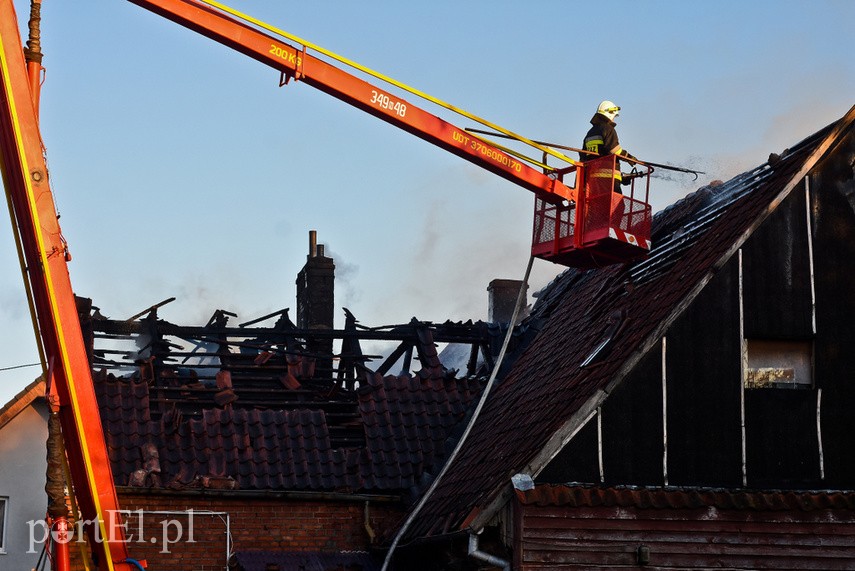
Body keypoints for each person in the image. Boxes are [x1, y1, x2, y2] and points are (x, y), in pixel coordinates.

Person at [581, 100, 637, 194]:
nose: (614, 119)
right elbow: (615, 151)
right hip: (608, 179)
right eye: (614, 116)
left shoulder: (589, 133)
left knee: (596, 206)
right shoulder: (608, 129)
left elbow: (584, 157)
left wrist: (621, 178)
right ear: (610, 113)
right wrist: (629, 158)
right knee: (617, 206)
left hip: (593, 180)